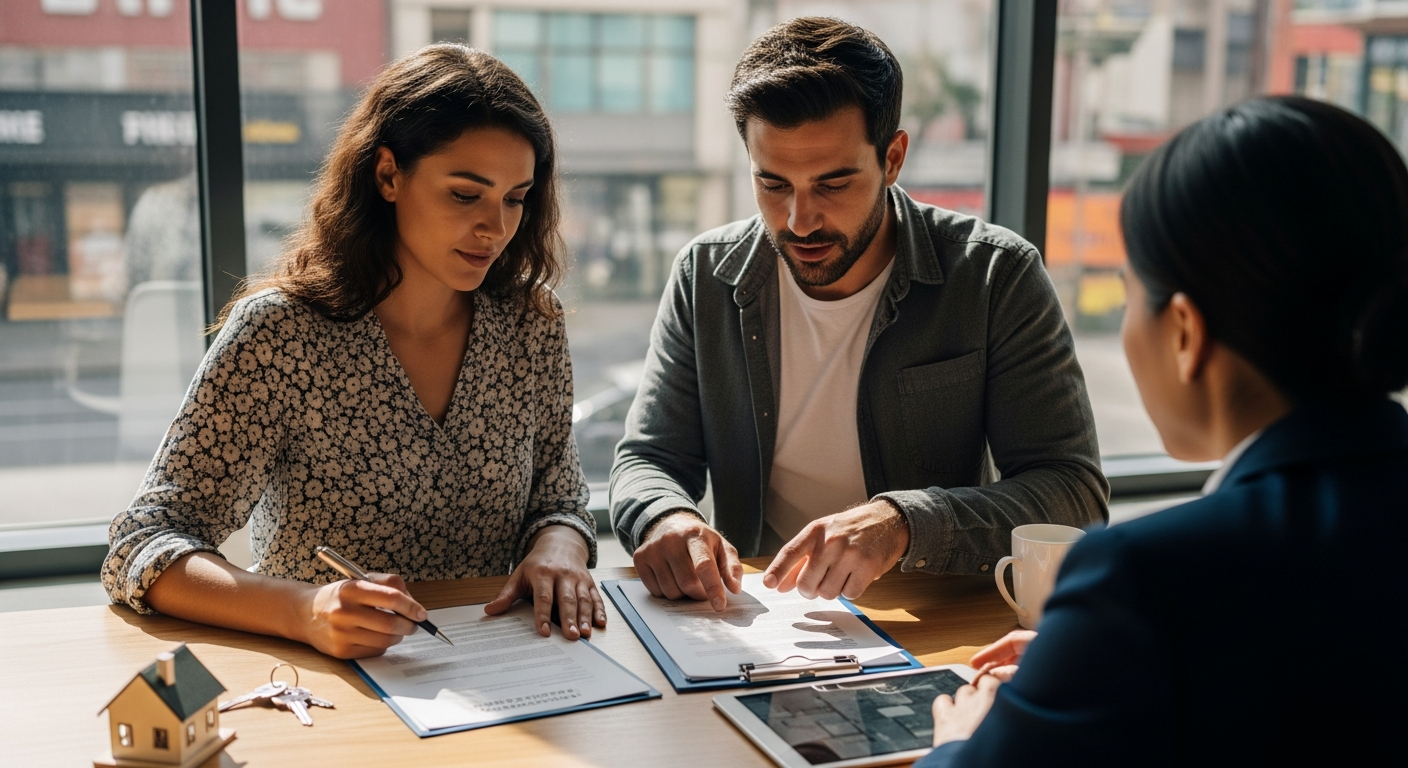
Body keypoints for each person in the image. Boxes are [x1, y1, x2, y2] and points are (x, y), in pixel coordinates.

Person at [918, 96, 1408, 766]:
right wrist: (1089, 659)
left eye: (1127, 295)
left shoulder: (1145, 579)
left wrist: (961, 743)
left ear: (1184, 332)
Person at [101, 45, 605, 659]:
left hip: (500, 673)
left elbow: (560, 498)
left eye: (515, 198)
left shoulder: (531, 323)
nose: (495, 228)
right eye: (465, 195)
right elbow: (143, 542)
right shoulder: (282, 335)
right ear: (389, 174)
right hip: (331, 691)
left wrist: (559, 545)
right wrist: (303, 611)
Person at [611, 17, 1108, 610]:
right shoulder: (706, 275)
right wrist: (665, 517)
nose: (799, 220)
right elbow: (649, 458)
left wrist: (902, 522)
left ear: (893, 157)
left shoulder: (995, 275)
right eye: (773, 184)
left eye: (833, 184)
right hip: (756, 622)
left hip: (923, 618)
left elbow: (1075, 493)